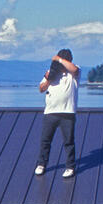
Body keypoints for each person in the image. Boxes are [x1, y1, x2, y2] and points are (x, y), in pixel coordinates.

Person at [35, 48, 80, 179]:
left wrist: (59, 59)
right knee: (45, 140)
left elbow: (74, 69)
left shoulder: (74, 72)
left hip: (68, 112)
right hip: (50, 112)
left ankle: (70, 166)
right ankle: (41, 164)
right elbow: (41, 89)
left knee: (69, 142)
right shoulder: (51, 73)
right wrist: (49, 79)